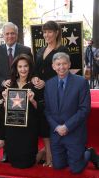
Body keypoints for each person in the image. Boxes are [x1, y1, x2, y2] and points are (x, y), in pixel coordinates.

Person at [44, 52, 99, 173]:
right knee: (58, 166)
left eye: (64, 63)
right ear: (53, 66)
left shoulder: (81, 82)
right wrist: (57, 127)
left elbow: (84, 109)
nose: (61, 67)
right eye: (58, 64)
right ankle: (74, 156)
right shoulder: (48, 84)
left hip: (74, 132)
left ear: (69, 64)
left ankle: (88, 153)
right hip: (56, 133)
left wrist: (67, 127)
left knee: (76, 169)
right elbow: (47, 111)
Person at [0, 21, 33, 162]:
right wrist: (2, 82)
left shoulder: (26, 50)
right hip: (4, 92)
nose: (10, 36)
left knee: (20, 122)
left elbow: (30, 69)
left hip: (22, 91)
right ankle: (6, 152)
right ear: (3, 35)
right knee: (6, 122)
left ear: (17, 35)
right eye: (7, 33)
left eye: (12, 33)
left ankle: (21, 150)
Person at [33, 21, 69, 166]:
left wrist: (46, 82)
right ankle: (48, 155)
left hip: (55, 92)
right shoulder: (41, 50)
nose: (47, 35)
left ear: (56, 32)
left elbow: (62, 72)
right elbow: (36, 70)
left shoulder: (62, 49)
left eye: (49, 32)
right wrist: (34, 78)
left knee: (52, 123)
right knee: (43, 125)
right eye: (44, 32)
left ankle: (53, 156)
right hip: (39, 92)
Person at [2, 54, 42, 169]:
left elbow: (41, 108)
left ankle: (41, 153)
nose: (23, 69)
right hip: (12, 126)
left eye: (26, 66)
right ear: (16, 68)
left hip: (29, 127)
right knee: (14, 163)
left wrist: (32, 100)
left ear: (30, 67)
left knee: (27, 163)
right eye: (20, 66)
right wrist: (5, 100)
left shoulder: (35, 84)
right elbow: (5, 110)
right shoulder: (10, 84)